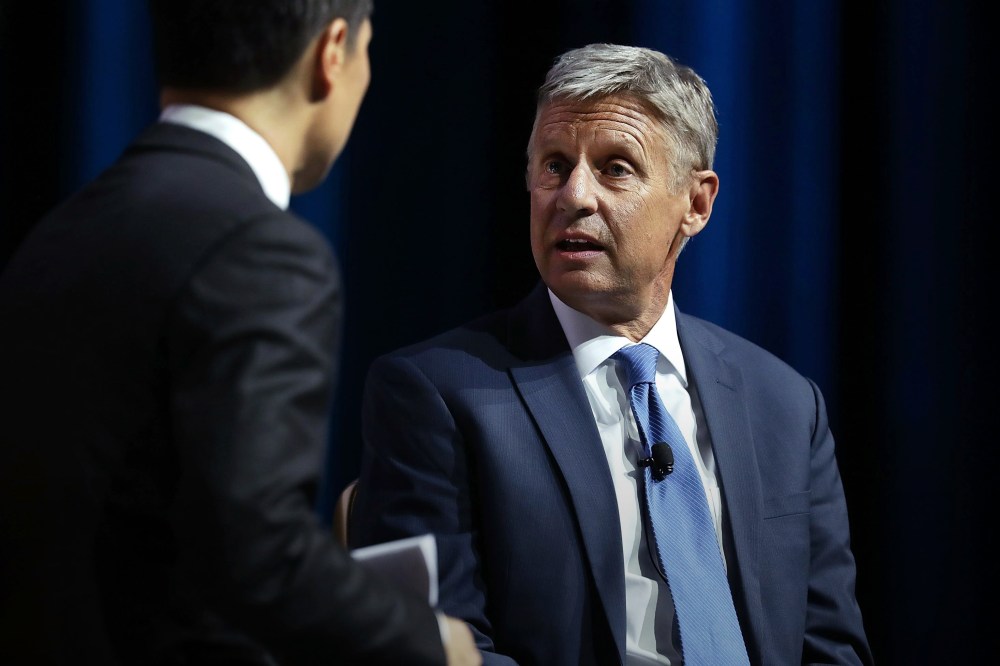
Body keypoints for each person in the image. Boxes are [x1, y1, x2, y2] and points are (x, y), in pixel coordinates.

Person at [351, 43, 873, 665]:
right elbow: (433, 649)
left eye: (615, 167)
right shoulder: (434, 394)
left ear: (697, 204)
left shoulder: (786, 405)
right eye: (553, 165)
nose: (573, 195)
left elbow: (830, 647)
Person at [0, 2, 481, 665]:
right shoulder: (260, 250)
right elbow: (256, 556)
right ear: (332, 52)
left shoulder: (57, 234)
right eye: (369, 48)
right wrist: (435, 642)